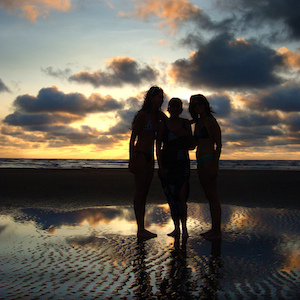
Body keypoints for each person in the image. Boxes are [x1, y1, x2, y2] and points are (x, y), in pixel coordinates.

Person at [129, 86, 166, 238]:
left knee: (145, 193)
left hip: (151, 158)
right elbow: (133, 138)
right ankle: (140, 229)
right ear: (151, 98)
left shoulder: (159, 116)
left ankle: (142, 228)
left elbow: (173, 124)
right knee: (140, 192)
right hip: (141, 155)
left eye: (162, 97)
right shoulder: (142, 115)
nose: (161, 99)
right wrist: (131, 160)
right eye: (158, 97)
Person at [156, 98, 192, 238]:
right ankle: (176, 228)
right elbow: (158, 146)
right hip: (167, 163)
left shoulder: (185, 124)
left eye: (178, 106)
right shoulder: (162, 125)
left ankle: (185, 228)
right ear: (168, 109)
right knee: (171, 197)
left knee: (182, 197)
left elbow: (191, 145)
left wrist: (186, 134)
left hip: (182, 164)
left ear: (181, 109)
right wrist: (160, 166)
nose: (175, 109)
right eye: (172, 106)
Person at [189, 94, 222, 240]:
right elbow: (193, 144)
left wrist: (215, 163)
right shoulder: (198, 123)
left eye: (200, 104)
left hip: (208, 160)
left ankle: (217, 231)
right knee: (209, 196)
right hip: (200, 161)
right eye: (195, 105)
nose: (198, 107)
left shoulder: (210, 121)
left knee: (213, 196)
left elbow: (218, 144)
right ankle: (213, 229)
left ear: (205, 105)